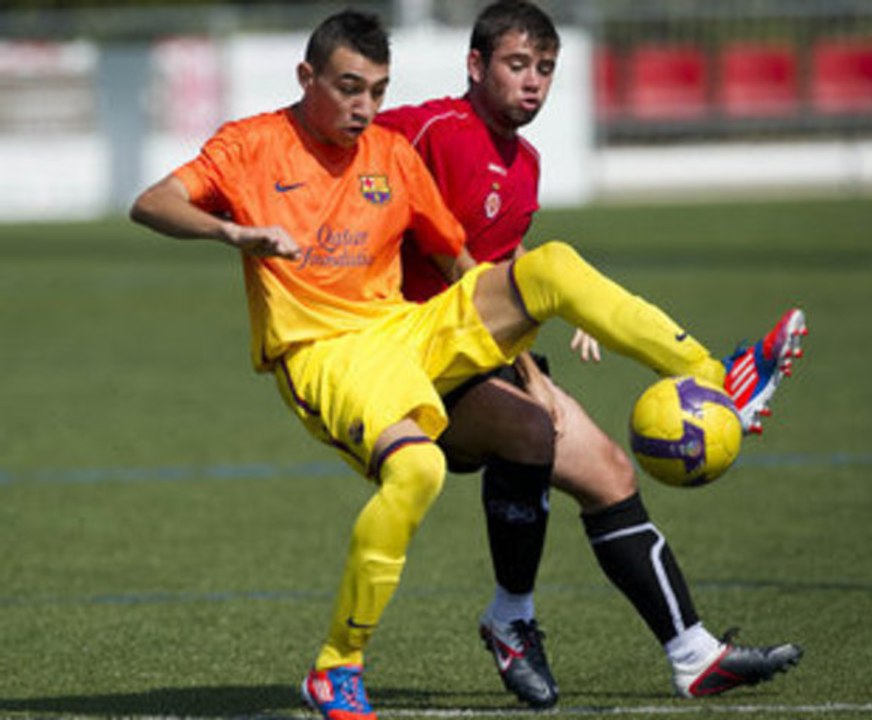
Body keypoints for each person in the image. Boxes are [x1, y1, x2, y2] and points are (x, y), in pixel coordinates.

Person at [130, 9, 801, 720]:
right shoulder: (257, 144)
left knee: (555, 273)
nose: (363, 108)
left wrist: (531, 324)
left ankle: (707, 375)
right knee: (420, 467)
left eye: (376, 91)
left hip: (404, 329)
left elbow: (460, 262)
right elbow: (153, 202)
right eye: (348, 87)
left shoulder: (391, 155)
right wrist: (235, 231)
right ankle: (338, 666)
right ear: (307, 77)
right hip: (324, 352)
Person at [376, 0, 806, 709]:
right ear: (475, 65)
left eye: (545, 68)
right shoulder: (428, 128)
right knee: (535, 409)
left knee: (607, 472)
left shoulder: (527, 164)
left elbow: (494, 270)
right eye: (517, 65)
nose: (534, 83)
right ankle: (712, 376)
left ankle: (693, 655)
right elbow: (343, 138)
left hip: (476, 357)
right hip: (406, 366)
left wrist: (540, 322)